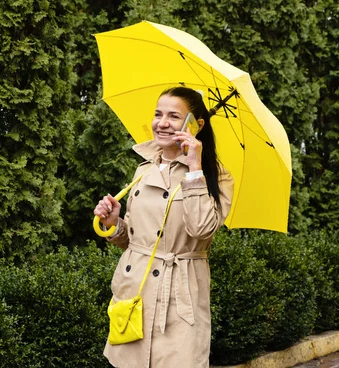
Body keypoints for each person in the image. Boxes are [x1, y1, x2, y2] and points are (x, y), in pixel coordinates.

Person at [93, 86, 234, 367]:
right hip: (136, 293)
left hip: (181, 298)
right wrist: (115, 224)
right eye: (158, 114)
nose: (162, 122)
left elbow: (202, 229)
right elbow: (136, 239)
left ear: (196, 125)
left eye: (173, 115)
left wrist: (194, 168)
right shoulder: (144, 170)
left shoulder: (216, 176)